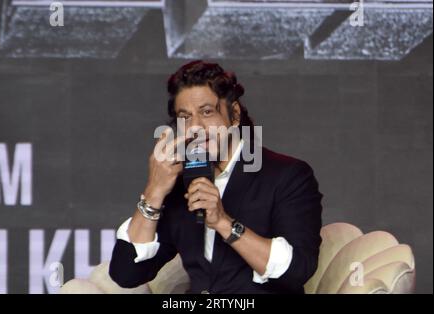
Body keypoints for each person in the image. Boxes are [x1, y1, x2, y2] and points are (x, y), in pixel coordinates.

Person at [109, 60, 323, 294]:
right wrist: (154, 191)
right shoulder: (182, 184)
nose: (196, 127)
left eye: (207, 112)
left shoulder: (286, 175)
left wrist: (223, 222)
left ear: (234, 114)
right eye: (185, 117)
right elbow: (126, 273)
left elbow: (297, 271)